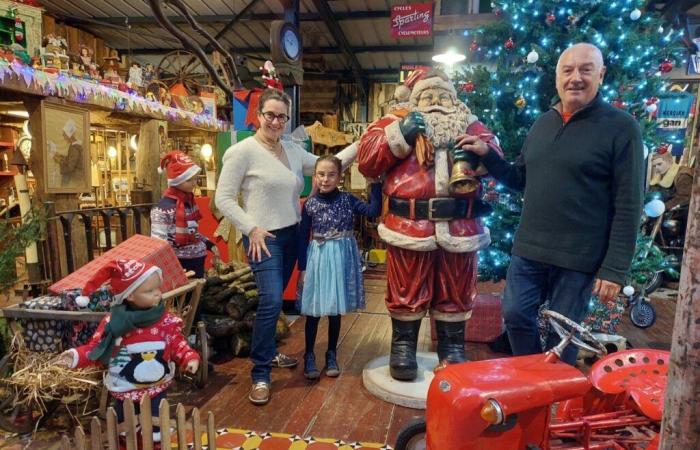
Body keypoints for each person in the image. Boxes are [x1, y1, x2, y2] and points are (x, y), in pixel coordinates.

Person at [456, 43, 645, 365]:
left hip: (579, 257)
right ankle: (533, 381)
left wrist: (614, 269)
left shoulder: (622, 127)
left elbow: (629, 203)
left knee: (562, 337)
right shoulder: (543, 123)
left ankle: (550, 397)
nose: (576, 78)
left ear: (600, 75)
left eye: (586, 70)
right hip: (530, 248)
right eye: (567, 70)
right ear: (557, 77)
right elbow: (521, 178)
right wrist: (489, 155)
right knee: (514, 315)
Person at [215, 88, 357, 405]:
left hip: (293, 235)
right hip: (263, 239)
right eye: (270, 115)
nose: (276, 121)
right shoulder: (242, 152)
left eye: (282, 116)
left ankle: (269, 351)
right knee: (270, 298)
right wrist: (250, 228)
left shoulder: (291, 151)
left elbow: (330, 163)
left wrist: (367, 139)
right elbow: (222, 198)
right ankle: (261, 373)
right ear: (258, 116)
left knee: (276, 302)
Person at [358, 69, 501, 381]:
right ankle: (403, 347)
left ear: (454, 100)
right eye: (428, 97)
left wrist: (480, 152)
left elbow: (495, 155)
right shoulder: (394, 121)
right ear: (415, 100)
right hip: (410, 222)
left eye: (442, 97)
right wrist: (401, 134)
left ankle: (452, 349)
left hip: (460, 225)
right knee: (406, 287)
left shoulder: (469, 124)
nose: (436, 103)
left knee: (456, 287)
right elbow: (366, 159)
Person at [56, 259, 200, 445]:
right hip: (124, 389)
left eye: (158, 288)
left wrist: (188, 357)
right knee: (125, 431)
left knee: (156, 431)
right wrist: (76, 356)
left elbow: (176, 342)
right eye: (149, 291)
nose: (158, 294)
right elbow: (96, 348)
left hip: (155, 390)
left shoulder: (165, 321)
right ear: (130, 295)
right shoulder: (114, 323)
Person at [297, 155, 382, 380]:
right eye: (321, 174)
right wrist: (303, 269)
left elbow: (373, 211)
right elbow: (301, 237)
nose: (325, 179)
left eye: (331, 174)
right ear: (315, 176)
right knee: (314, 309)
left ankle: (331, 354)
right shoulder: (310, 204)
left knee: (335, 309)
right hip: (318, 257)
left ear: (339, 176)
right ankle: (308, 355)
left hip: (341, 258)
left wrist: (375, 183)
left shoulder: (348, 200)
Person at [151, 150, 219, 281]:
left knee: (196, 298)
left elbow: (193, 232)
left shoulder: (189, 203)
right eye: (189, 180)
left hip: (197, 260)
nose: (194, 183)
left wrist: (210, 244)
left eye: (195, 179)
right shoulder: (163, 208)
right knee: (182, 299)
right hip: (179, 263)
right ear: (176, 180)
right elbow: (158, 242)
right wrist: (168, 266)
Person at [56, 119, 83, 186]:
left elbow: (70, 167)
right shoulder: (76, 145)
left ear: (69, 135)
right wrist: (62, 157)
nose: (63, 136)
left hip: (73, 180)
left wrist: (59, 160)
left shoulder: (74, 148)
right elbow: (72, 160)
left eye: (64, 134)